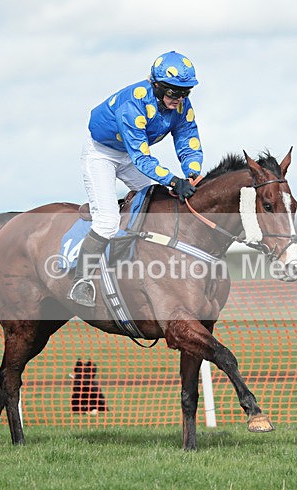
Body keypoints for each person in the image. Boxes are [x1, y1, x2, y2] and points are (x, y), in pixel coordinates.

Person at [69, 50, 204, 307]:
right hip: (102, 155)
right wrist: (175, 181)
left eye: (185, 92)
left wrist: (192, 173)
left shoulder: (181, 105)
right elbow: (142, 159)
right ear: (156, 86)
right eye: (173, 93)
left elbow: (187, 139)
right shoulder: (132, 105)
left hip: (129, 156)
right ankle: (82, 281)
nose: (179, 99)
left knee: (159, 204)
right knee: (108, 222)